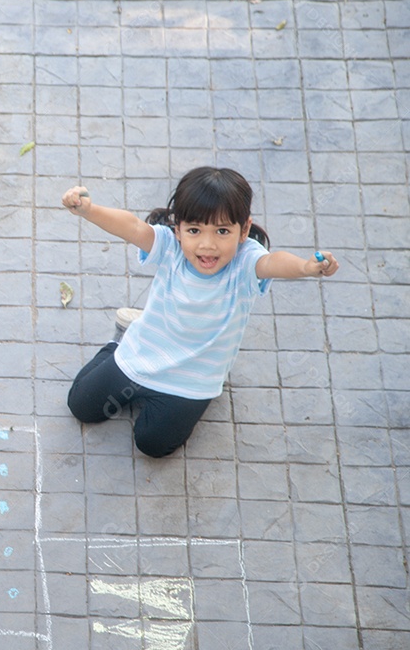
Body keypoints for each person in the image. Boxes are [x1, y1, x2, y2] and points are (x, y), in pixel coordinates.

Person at [61, 166, 339, 458]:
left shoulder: (246, 263)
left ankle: (171, 395)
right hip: (142, 355)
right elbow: (132, 227)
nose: (207, 245)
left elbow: (274, 262)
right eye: (194, 230)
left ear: (244, 230)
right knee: (81, 406)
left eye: (222, 231)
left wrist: (306, 268)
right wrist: (88, 211)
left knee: (152, 444)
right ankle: (120, 339)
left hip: (192, 379)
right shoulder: (169, 246)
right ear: (178, 229)